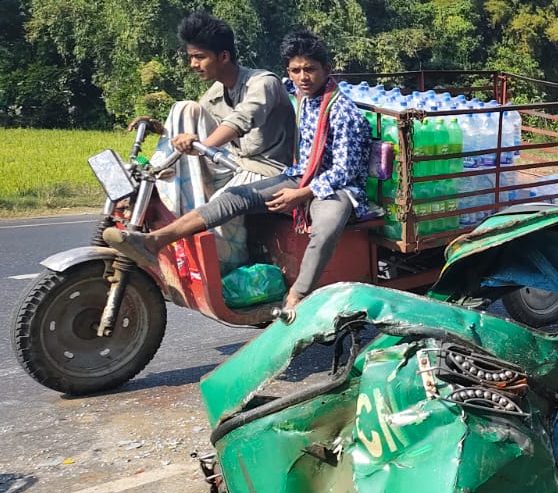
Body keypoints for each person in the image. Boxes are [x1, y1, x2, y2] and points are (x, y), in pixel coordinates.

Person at [106, 30, 372, 315]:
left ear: (327, 70)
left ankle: (298, 295)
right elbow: (227, 108)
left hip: (334, 187)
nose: (302, 77)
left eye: (310, 69)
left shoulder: (343, 111)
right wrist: (165, 128)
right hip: (300, 174)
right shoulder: (297, 91)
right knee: (232, 198)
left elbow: (345, 170)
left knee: (326, 227)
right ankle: (156, 240)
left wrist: (302, 194)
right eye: (296, 70)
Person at [149, 11, 298, 268]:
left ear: (224, 56)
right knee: (184, 108)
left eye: (200, 57)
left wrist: (204, 146)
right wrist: (161, 130)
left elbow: (240, 120)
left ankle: (228, 266)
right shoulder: (217, 91)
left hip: (268, 171)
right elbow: (193, 122)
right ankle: (161, 186)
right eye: (191, 57)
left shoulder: (263, 83)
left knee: (222, 202)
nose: (193, 64)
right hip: (234, 163)